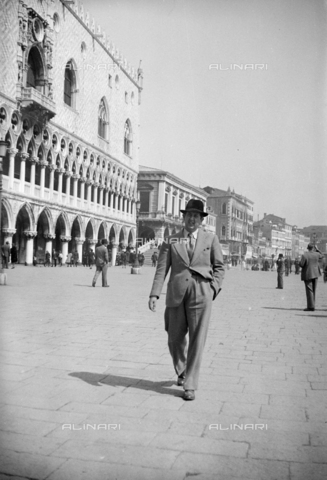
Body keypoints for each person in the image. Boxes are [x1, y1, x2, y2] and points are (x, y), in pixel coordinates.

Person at [148, 199, 225, 401]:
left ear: (201, 220)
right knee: (174, 338)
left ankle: (190, 384)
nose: (192, 219)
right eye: (189, 215)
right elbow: (161, 269)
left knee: (197, 340)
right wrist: (154, 294)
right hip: (176, 293)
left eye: (196, 216)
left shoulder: (211, 238)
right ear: (183, 217)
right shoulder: (171, 240)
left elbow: (219, 267)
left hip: (202, 292)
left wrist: (213, 288)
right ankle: (181, 369)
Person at [300, 243, 323, 311]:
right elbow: (323, 256)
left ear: (308, 248)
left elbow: (301, 264)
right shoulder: (317, 254)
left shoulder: (305, 255)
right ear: (314, 248)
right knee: (313, 290)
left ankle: (310, 307)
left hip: (308, 274)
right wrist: (318, 250)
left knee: (309, 290)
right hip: (316, 274)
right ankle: (313, 305)